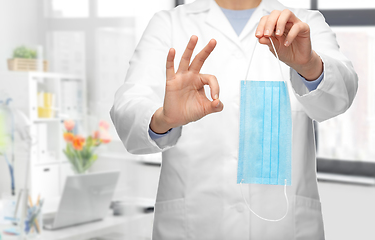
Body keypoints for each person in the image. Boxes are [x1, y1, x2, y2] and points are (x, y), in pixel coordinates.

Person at [110, 0, 358, 239]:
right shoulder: (170, 23)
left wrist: (309, 65)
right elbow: (129, 107)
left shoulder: (305, 23)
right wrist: (163, 119)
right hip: (193, 225)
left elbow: (340, 98)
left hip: (282, 228)